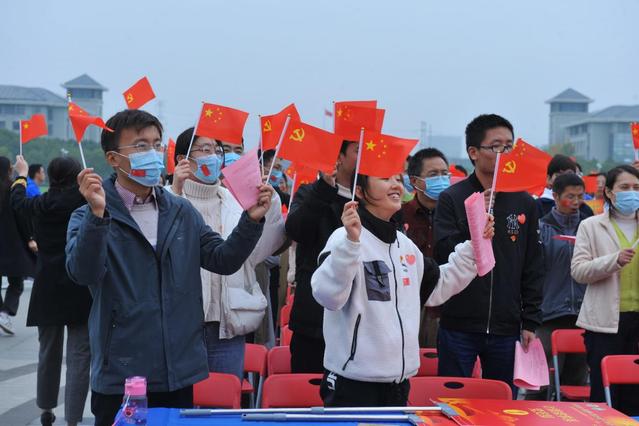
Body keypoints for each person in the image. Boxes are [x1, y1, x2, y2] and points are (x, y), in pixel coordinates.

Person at [65, 109, 271, 426]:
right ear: (113, 158)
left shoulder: (180, 211)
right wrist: (97, 217)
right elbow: (83, 272)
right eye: (141, 145)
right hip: (121, 372)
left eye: (156, 144)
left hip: (177, 371)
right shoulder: (90, 215)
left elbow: (223, 258)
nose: (152, 152)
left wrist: (251, 220)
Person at [311, 173, 494, 407]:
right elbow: (328, 296)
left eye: (398, 179)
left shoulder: (404, 244)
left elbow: (438, 285)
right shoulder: (344, 239)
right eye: (385, 178)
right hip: (353, 382)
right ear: (359, 191)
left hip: (399, 382)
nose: (395, 185)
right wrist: (350, 245)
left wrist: (474, 245)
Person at [433, 114, 544, 397]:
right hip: (459, 322)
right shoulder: (453, 198)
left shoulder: (524, 202)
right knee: (452, 400)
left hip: (506, 326)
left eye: (509, 146)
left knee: (501, 402)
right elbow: (443, 252)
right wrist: (475, 217)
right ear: (473, 152)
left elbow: (533, 263)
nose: (504, 153)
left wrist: (530, 319)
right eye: (496, 146)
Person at [168, 127, 285, 378]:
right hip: (181, 326)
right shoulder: (168, 200)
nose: (213, 156)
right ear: (183, 159)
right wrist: (175, 192)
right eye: (205, 149)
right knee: (184, 397)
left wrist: (271, 206)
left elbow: (259, 251)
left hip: (227, 326)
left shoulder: (237, 202)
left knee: (226, 396)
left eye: (216, 150)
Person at [11, 155, 92, 426]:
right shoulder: (85, 202)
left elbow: (16, 201)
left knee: (48, 352)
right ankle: (73, 417)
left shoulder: (39, 204)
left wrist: (21, 174)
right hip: (80, 286)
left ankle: (46, 408)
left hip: (46, 286)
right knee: (80, 355)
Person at [571, 164, 639, 415]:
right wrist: (613, 261)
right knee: (604, 397)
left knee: (634, 396)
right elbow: (579, 271)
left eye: (637, 188)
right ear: (609, 192)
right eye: (624, 187)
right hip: (604, 324)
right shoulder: (590, 226)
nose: (632, 193)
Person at [285, 140, 358, 373]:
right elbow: (296, 230)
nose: (365, 156)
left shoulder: (372, 201)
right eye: (358, 150)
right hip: (314, 316)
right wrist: (324, 191)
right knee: (307, 387)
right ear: (339, 157)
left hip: (358, 322)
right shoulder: (311, 193)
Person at [525, 173, 589, 401]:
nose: (576, 202)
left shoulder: (589, 227)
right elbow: (531, 269)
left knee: (576, 383)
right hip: (549, 314)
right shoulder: (541, 228)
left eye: (580, 196)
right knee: (541, 384)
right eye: (570, 196)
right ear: (555, 196)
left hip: (583, 314)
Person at [403, 148, 451, 348]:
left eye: (444, 174)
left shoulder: (457, 215)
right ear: (414, 181)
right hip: (410, 303)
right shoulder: (400, 215)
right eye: (433, 175)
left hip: (448, 304)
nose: (441, 179)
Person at [0, 156, 35, 335]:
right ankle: (5, 312)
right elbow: (22, 215)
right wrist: (30, 237)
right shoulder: (13, 188)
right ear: (9, 170)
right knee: (17, 281)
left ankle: (2, 313)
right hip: (12, 241)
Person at [537, 154, 593, 219]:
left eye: (569, 175)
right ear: (549, 179)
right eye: (559, 175)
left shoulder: (584, 209)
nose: (564, 179)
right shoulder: (539, 206)